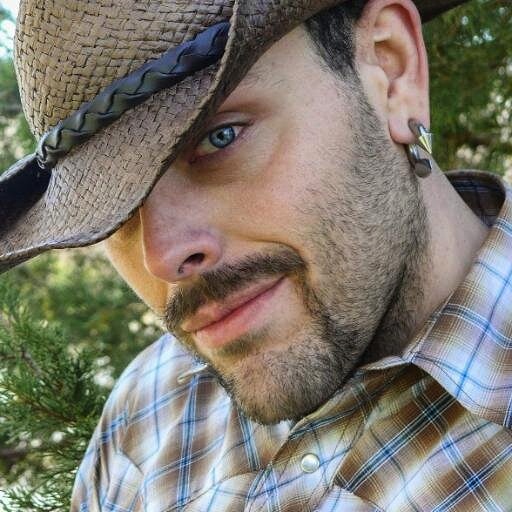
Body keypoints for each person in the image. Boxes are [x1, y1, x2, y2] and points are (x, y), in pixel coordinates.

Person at [1, 0, 511, 509]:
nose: (163, 257)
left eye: (220, 137)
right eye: (110, 209)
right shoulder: (144, 416)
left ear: (391, 68)